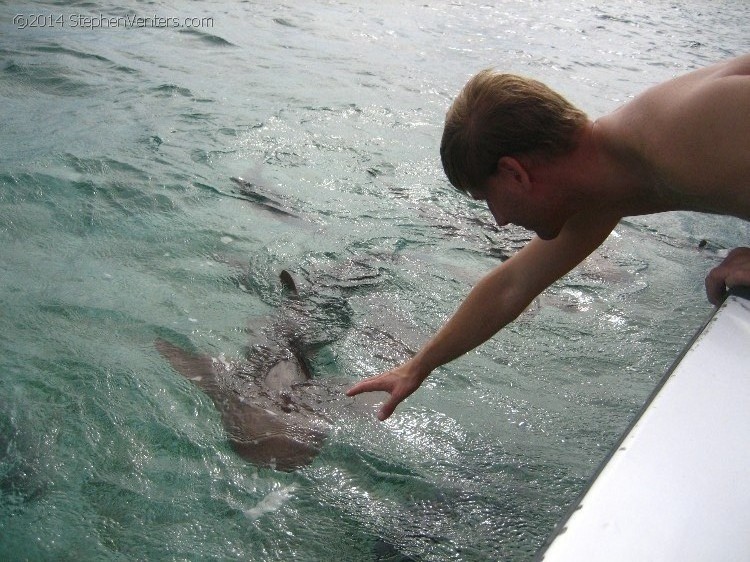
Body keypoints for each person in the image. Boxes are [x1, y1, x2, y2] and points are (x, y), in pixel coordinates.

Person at [347, 54, 750, 421]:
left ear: (514, 174)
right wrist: (417, 367)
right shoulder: (608, 188)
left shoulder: (675, 138)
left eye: (488, 198)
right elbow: (511, 285)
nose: (499, 220)